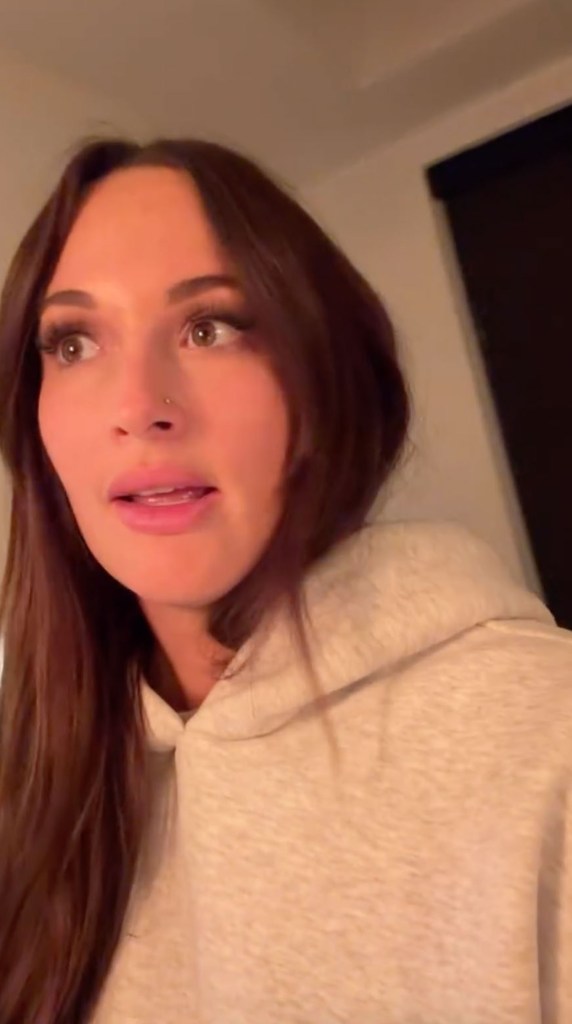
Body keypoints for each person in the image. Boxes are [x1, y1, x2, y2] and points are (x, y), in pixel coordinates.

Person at [0, 137, 570, 1024]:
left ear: (324, 380)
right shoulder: (39, 794)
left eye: (210, 328)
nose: (138, 406)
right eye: (73, 342)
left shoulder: (545, 735)